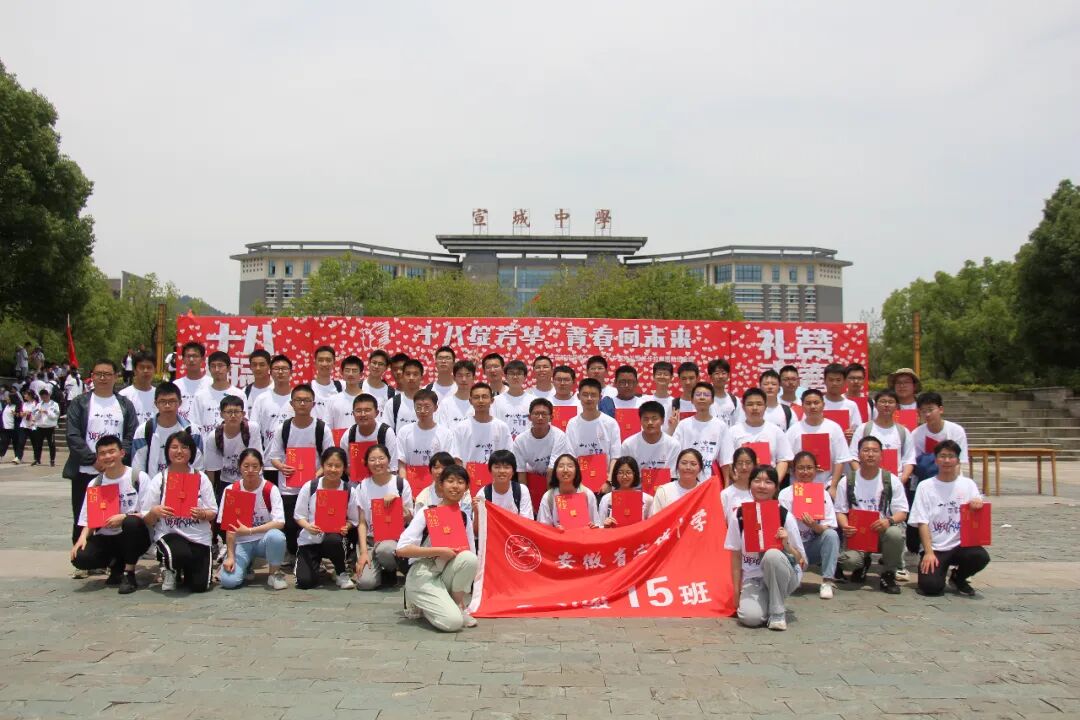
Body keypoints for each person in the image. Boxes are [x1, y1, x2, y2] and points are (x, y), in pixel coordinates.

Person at [63, 359, 139, 545]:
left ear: (116, 376)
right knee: (83, 518)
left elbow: (131, 434)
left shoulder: (124, 404)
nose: (103, 378)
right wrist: (93, 460)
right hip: (86, 471)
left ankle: (113, 555)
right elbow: (73, 435)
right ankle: (81, 553)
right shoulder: (80, 403)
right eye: (98, 374)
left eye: (107, 374)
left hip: (115, 473)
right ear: (92, 376)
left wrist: (116, 460)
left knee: (113, 519)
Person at [396, 463, 478, 632]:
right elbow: (401, 549)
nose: (455, 486)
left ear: (466, 488)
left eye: (460, 482)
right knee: (453, 623)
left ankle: (457, 605)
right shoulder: (427, 512)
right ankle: (422, 602)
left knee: (470, 558)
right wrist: (438, 551)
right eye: (450, 481)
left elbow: (469, 555)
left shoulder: (464, 518)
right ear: (441, 484)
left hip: (446, 572)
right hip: (424, 573)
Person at [726, 465, 807, 631]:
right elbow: (736, 556)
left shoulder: (784, 515)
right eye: (757, 481)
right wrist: (736, 592)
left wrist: (786, 544)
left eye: (768, 482)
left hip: (784, 575)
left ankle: (777, 613)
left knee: (772, 555)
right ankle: (769, 603)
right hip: (753, 578)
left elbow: (800, 559)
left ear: (776, 488)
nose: (762, 486)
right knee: (750, 618)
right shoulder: (739, 515)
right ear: (750, 484)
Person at [69, 435, 152, 594]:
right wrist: (82, 538)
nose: (107, 456)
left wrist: (125, 517)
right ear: (98, 457)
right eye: (103, 453)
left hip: (134, 534)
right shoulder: (95, 483)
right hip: (107, 536)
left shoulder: (138, 477)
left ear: (122, 453)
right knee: (80, 557)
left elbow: (149, 513)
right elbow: (90, 519)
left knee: (131, 523)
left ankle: (129, 573)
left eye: (112, 451)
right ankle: (116, 565)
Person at [909, 440, 990, 597]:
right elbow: (922, 522)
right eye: (943, 456)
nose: (946, 460)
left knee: (980, 556)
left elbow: (978, 507)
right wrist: (928, 552)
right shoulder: (925, 486)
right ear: (936, 460)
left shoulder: (968, 484)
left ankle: (958, 577)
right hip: (936, 547)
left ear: (958, 460)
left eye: (951, 456)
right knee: (931, 587)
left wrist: (977, 503)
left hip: (960, 545)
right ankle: (936, 573)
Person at [140, 431, 219, 592]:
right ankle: (170, 569)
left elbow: (213, 511)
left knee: (199, 586)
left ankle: (186, 569)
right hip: (170, 533)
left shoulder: (201, 477)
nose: (179, 451)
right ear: (167, 451)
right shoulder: (160, 479)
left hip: (199, 537)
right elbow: (146, 518)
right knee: (179, 553)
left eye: (184, 447)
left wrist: (203, 514)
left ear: (191, 451)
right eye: (174, 447)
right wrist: (155, 511)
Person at [834, 436, 909, 594]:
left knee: (895, 534)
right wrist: (845, 526)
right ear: (858, 454)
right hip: (859, 534)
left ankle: (888, 574)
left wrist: (888, 521)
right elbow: (840, 511)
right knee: (848, 562)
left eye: (875, 451)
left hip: (882, 531)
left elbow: (902, 512)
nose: (870, 454)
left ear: (881, 455)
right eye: (866, 450)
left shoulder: (891, 480)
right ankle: (862, 563)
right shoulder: (847, 481)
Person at [268, 384, 336, 557]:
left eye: (307, 400)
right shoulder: (283, 428)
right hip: (289, 487)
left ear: (313, 404)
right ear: (292, 403)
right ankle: (293, 554)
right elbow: (273, 457)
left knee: (315, 523)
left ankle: (315, 556)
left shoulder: (322, 428)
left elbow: (330, 459)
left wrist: (316, 476)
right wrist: (281, 466)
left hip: (315, 486)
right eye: (298, 400)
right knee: (290, 525)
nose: (302, 404)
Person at [217, 448, 288, 590]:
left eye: (255, 466)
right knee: (228, 582)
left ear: (261, 467)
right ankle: (245, 566)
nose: (250, 470)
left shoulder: (270, 489)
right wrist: (230, 556)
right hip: (241, 543)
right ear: (239, 467)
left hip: (264, 541)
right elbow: (229, 528)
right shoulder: (232, 490)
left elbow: (279, 522)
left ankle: (274, 574)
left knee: (277, 536)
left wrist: (250, 530)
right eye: (246, 466)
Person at [292, 447, 358, 589]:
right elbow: (299, 515)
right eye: (329, 465)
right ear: (322, 465)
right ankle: (317, 568)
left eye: (338, 466)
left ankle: (340, 572)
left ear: (344, 468)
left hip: (334, 538)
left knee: (333, 540)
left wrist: (346, 526)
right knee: (305, 582)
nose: (333, 469)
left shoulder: (349, 490)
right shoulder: (310, 486)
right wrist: (308, 526)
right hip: (310, 538)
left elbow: (354, 519)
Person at [779, 451, 841, 599]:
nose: (805, 472)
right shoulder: (785, 494)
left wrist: (814, 525)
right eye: (801, 468)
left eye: (809, 468)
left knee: (831, 535)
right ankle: (791, 575)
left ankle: (827, 581)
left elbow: (829, 526)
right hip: (791, 547)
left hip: (812, 546)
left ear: (816, 470)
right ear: (793, 471)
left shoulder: (823, 494)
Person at [353, 444, 414, 590]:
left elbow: (410, 518)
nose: (377, 463)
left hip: (393, 540)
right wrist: (363, 552)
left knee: (386, 549)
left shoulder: (400, 484)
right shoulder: (362, 486)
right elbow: (362, 523)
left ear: (388, 459)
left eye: (381, 458)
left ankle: (390, 569)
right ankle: (378, 570)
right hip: (371, 540)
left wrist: (398, 504)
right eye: (372, 460)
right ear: (366, 463)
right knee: (365, 584)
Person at [784, 388, 853, 494]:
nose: (812, 406)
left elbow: (840, 459)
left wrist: (833, 486)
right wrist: (806, 468)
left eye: (816, 403)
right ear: (802, 406)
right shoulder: (793, 430)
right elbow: (786, 459)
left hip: (827, 485)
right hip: (799, 487)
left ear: (823, 404)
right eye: (808, 403)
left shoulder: (834, 428)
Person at [131, 382, 203, 480]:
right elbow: (138, 469)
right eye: (163, 401)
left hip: (184, 485)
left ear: (180, 403)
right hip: (153, 486)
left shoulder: (192, 430)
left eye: (172, 401)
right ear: (156, 404)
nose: (167, 405)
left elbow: (197, 467)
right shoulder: (143, 430)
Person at [558, 379, 620, 482]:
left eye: (593, 395)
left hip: (605, 481)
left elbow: (615, 456)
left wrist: (609, 481)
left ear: (600, 397)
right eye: (585, 395)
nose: (589, 399)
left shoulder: (611, 423)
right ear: (578, 396)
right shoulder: (572, 424)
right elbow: (570, 456)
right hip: (579, 481)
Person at [726, 388, 794, 479]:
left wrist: (774, 482)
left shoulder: (776, 431)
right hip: (741, 483)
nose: (755, 408)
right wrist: (736, 480)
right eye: (750, 404)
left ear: (765, 406)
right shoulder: (732, 432)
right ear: (743, 407)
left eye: (759, 404)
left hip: (767, 483)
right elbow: (727, 461)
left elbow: (783, 460)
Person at [672, 383, 733, 482]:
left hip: (711, 481)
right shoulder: (683, 425)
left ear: (712, 400)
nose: (702, 397)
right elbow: (675, 455)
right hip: (687, 481)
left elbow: (725, 461)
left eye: (706, 395)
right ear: (692, 400)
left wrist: (726, 486)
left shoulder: (721, 426)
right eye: (698, 394)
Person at [619, 401, 680, 485]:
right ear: (640, 421)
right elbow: (625, 475)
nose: (650, 422)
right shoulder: (628, 444)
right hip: (637, 489)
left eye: (654, 418)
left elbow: (672, 476)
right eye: (646, 419)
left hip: (664, 489)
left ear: (662, 421)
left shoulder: (673, 445)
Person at [451, 383, 511, 467]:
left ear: (492, 400)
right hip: (468, 473)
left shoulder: (502, 427)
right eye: (476, 397)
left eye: (484, 397)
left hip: (495, 473)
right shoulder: (461, 427)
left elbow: (508, 455)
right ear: (470, 401)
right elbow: (456, 457)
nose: (480, 401)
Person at [251, 354, 296, 459]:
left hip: (295, 459)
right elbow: (254, 432)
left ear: (291, 372)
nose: (280, 372)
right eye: (276, 369)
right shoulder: (261, 399)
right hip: (269, 460)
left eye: (284, 369)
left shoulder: (299, 398)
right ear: (270, 372)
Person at [536, 454, 600, 528]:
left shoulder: (587, 494)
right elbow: (543, 528)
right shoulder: (548, 497)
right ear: (555, 472)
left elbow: (596, 524)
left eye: (570, 466)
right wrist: (555, 531)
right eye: (561, 466)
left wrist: (593, 527)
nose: (565, 470)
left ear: (576, 471)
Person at [189, 351, 244, 437]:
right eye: (213, 366)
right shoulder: (200, 396)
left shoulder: (239, 394)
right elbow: (194, 425)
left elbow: (244, 422)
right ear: (209, 369)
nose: (217, 369)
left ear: (229, 368)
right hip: (207, 444)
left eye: (220, 365)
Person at [474, 449, 533, 519]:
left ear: (513, 471)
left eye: (506, 467)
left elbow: (527, 521)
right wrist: (476, 512)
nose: (502, 471)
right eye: (497, 467)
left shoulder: (521, 490)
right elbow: (479, 525)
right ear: (490, 470)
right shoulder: (482, 494)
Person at [599, 456, 652, 525]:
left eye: (628, 472)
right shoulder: (607, 499)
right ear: (615, 475)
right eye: (620, 473)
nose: (624, 476)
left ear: (634, 474)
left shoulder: (647, 499)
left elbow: (652, 524)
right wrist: (606, 525)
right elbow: (601, 525)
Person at [652, 448, 705, 514]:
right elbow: (655, 517)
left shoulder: (706, 491)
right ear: (677, 466)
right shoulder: (663, 491)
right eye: (684, 463)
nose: (688, 467)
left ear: (700, 468)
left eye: (693, 464)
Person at [492, 360, 534, 439]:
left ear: (525, 376)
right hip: (504, 444)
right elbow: (493, 427)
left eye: (519, 373)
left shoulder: (533, 401)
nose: (515, 377)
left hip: (527, 444)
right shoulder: (496, 401)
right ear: (505, 376)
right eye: (511, 373)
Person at [381, 358, 423, 433]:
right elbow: (386, 432)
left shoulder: (429, 402)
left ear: (421, 377)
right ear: (403, 376)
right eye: (408, 374)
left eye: (415, 374)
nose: (411, 378)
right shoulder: (392, 403)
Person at [175, 342, 211, 423]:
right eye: (188, 356)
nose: (191, 360)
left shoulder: (211, 384)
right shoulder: (176, 385)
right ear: (183, 359)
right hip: (182, 429)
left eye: (195, 356)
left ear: (203, 359)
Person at [328, 355, 366, 433]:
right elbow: (327, 428)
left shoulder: (369, 399)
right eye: (347, 370)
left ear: (361, 374)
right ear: (342, 373)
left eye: (354, 371)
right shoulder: (333, 400)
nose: (350, 374)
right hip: (339, 440)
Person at [118, 351, 157, 425]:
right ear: (134, 370)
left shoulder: (159, 395)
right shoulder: (124, 395)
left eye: (149, 367)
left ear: (154, 370)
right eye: (142, 367)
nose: (146, 371)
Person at [435, 360, 476, 427]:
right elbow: (442, 429)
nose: (464, 379)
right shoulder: (445, 404)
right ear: (454, 378)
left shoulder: (480, 403)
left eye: (468, 375)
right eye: (460, 375)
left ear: (474, 378)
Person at [720, 446, 758, 519]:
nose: (744, 467)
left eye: (748, 463)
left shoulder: (760, 490)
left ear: (754, 465)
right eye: (740, 463)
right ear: (734, 466)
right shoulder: (725, 494)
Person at [310, 345, 343, 423]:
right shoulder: (307, 388)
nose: (324, 364)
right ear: (315, 363)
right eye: (320, 360)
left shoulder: (342, 386)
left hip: (335, 430)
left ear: (334, 363)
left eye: (328, 360)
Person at [30, 388, 60, 466]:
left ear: (48, 395)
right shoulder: (39, 404)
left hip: (50, 427)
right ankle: (37, 459)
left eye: (45, 396)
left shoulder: (54, 404)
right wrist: (39, 413)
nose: (44, 398)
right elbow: (35, 416)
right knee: (38, 444)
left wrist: (47, 412)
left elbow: (55, 416)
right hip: (40, 427)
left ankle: (52, 460)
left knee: (51, 444)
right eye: (42, 396)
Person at [708, 359, 740, 426]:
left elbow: (739, 423)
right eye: (717, 373)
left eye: (723, 373)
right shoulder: (705, 399)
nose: (720, 376)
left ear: (728, 376)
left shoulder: (735, 401)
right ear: (710, 377)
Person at [0, 389, 23, 464]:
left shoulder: (17, 406)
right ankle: (1, 455)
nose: (6, 399)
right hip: (5, 428)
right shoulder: (5, 406)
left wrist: (16, 414)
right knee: (3, 442)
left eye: (8, 398)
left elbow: (20, 416)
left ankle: (17, 457)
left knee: (16, 443)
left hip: (14, 428)